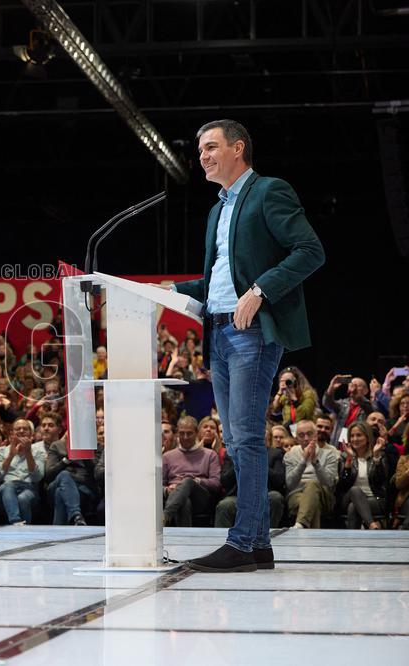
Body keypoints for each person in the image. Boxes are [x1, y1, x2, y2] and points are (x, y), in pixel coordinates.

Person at [170, 119, 325, 573]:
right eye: (200, 150)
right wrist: (167, 290)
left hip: (251, 333)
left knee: (246, 439)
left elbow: (310, 250)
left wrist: (260, 291)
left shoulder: (268, 191)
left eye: (212, 147)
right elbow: (220, 278)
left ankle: (241, 543)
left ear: (239, 149)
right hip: (217, 332)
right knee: (237, 442)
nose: (203, 156)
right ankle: (257, 545)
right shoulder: (217, 209)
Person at [215, 430, 286, 533]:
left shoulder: (275, 454)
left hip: (265, 495)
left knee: (275, 498)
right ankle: (223, 541)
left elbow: (279, 480)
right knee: (224, 505)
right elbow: (224, 481)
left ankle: (264, 536)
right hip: (238, 496)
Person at [161, 416, 221, 527]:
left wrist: (197, 481)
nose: (185, 437)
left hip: (201, 497)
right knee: (183, 501)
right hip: (175, 496)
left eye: (189, 433)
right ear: (177, 433)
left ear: (197, 433)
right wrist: (167, 490)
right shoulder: (167, 457)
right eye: (182, 433)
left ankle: (165, 515)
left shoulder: (209, 455)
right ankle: (183, 541)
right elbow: (159, 486)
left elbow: (216, 483)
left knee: (188, 481)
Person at [0, 419, 45, 525]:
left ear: (31, 433)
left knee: (22, 498)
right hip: (4, 490)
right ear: (12, 433)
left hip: (29, 488)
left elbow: (37, 477)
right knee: (8, 486)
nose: (21, 431)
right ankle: (15, 521)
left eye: (25, 429)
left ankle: (24, 528)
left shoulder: (38, 452)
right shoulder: (0, 451)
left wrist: (28, 453)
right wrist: (10, 456)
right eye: (18, 429)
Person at [284, 419, 339, 528]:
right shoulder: (290, 455)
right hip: (296, 495)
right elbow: (290, 484)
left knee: (312, 485)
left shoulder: (329, 455)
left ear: (316, 435)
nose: (306, 438)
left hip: (324, 495)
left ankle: (300, 525)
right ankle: (307, 535)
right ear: (297, 438)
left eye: (309, 434)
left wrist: (315, 462)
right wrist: (303, 461)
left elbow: (329, 483)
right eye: (301, 435)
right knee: (313, 504)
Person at [335, 422, 388, 529]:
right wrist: (349, 461)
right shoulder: (345, 456)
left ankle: (353, 541)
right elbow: (342, 485)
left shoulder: (379, 455)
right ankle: (372, 525)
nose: (355, 439)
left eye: (359, 435)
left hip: (374, 499)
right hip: (348, 498)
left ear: (367, 437)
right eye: (352, 436)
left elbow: (380, 481)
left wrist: (376, 457)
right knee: (355, 490)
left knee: (353, 507)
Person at [323, 375, 372, 446]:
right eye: (352, 385)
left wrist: (359, 397)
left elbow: (371, 411)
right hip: (339, 442)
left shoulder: (369, 405)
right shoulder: (342, 404)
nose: (354, 388)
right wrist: (331, 388)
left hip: (358, 443)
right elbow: (327, 404)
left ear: (366, 391)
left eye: (358, 386)